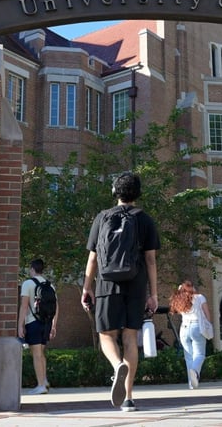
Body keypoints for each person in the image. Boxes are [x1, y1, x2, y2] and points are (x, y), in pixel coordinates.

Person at [81, 172, 160, 412]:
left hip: (107, 283)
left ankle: (116, 366)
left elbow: (93, 257)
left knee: (106, 334)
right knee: (129, 339)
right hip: (135, 283)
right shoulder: (145, 220)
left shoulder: (102, 217)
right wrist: (153, 294)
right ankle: (128, 397)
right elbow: (151, 260)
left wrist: (87, 287)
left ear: (115, 191)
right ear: (137, 193)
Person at [18, 258, 57, 395]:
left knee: (36, 354)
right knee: (41, 353)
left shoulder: (27, 283)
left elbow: (24, 306)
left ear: (32, 269)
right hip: (46, 323)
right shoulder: (50, 285)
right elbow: (56, 307)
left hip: (32, 322)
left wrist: (20, 325)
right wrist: (53, 325)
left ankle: (40, 385)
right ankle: (44, 380)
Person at [169, 280, 212, 389]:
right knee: (199, 355)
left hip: (184, 328)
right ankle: (195, 371)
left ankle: (191, 384)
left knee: (189, 357)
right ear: (192, 287)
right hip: (197, 327)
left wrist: (180, 291)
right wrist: (208, 326)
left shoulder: (180, 300)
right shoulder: (200, 297)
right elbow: (207, 314)